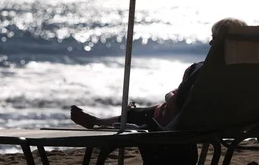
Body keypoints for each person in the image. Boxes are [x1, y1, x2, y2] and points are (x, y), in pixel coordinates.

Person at [70, 17, 248, 129]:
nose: (210, 43)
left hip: (193, 124)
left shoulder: (204, 68)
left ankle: (99, 122)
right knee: (142, 113)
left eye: (214, 38)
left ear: (221, 41)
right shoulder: (249, 70)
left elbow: (179, 101)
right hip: (238, 122)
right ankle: (106, 120)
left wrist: (170, 95)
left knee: (139, 115)